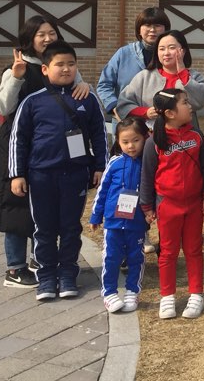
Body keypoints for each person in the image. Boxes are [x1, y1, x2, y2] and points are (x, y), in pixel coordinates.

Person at [0, 15, 90, 288]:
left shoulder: (62, 63)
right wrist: (16, 77)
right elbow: (2, 107)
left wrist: (85, 85)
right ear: (30, 38)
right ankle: (15, 268)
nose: (48, 38)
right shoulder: (18, 67)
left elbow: (77, 97)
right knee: (16, 207)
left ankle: (40, 260)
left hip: (52, 150)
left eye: (52, 33)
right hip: (19, 146)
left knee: (46, 207)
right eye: (41, 34)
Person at [8, 40, 107, 301]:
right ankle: (47, 277)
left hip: (75, 175)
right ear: (45, 69)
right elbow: (18, 139)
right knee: (44, 228)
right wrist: (17, 174)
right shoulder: (32, 102)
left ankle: (68, 275)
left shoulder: (87, 99)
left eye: (71, 64)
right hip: (41, 175)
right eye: (59, 64)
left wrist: (100, 167)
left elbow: (99, 134)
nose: (66, 69)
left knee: (71, 227)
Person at [140, 89, 204, 319]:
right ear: (170, 113)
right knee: (168, 252)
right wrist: (147, 206)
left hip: (194, 205)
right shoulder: (154, 142)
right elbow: (147, 175)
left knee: (194, 250)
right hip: (167, 205)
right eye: (185, 103)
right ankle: (167, 296)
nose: (190, 106)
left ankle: (196, 294)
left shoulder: (197, 136)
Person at [89, 117, 149, 313]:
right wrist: (96, 216)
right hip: (113, 222)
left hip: (137, 222)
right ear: (118, 142)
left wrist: (151, 212)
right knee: (111, 257)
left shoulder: (148, 162)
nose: (131, 146)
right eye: (125, 142)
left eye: (136, 140)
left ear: (145, 138)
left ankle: (133, 291)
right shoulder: (114, 163)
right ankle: (109, 292)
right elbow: (103, 190)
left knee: (136, 258)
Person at [117, 30, 204, 128]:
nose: (166, 53)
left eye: (171, 48)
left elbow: (200, 101)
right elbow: (123, 104)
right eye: (161, 49)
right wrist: (145, 112)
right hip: (151, 133)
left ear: (183, 50)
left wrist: (183, 74)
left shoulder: (194, 76)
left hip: (186, 134)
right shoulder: (144, 77)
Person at [96, 7, 171, 119]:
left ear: (166, 29)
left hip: (161, 121)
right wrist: (115, 107)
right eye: (147, 25)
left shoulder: (170, 55)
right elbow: (104, 85)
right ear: (139, 30)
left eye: (157, 25)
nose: (152, 29)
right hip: (127, 121)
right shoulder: (124, 53)